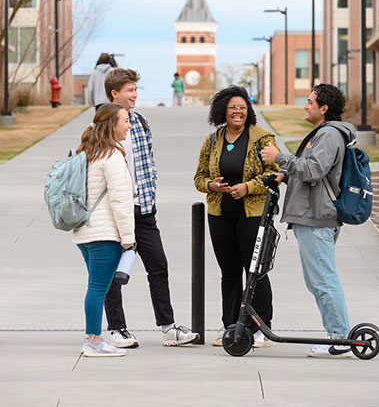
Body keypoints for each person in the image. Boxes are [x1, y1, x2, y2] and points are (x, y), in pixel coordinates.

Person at [103, 68, 199, 347]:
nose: (134, 94)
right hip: (113, 213)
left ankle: (168, 328)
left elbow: (149, 163)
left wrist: (150, 191)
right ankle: (116, 328)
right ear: (114, 94)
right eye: (129, 90)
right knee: (113, 273)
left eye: (135, 90)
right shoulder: (101, 126)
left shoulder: (142, 122)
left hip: (143, 210)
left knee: (158, 266)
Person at [261, 83, 354, 358]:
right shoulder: (326, 133)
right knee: (317, 281)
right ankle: (337, 335)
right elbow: (315, 172)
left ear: (323, 109)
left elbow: (314, 170)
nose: (305, 105)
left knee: (323, 280)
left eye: (310, 101)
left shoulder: (328, 135)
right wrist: (285, 176)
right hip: (313, 217)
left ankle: (340, 339)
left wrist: (279, 158)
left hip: (317, 218)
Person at [194, 85, 280, 347]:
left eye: (242, 107)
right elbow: (199, 177)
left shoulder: (263, 138)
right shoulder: (213, 140)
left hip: (252, 215)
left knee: (255, 272)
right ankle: (231, 327)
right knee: (229, 272)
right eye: (232, 107)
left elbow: (275, 174)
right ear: (223, 111)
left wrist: (248, 187)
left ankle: (259, 329)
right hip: (220, 214)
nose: (238, 112)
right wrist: (213, 186)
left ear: (248, 111)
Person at [73, 103, 135, 357]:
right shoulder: (112, 157)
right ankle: (93, 341)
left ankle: (94, 339)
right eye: (126, 120)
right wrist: (128, 238)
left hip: (85, 233)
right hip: (104, 234)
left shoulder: (88, 152)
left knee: (96, 287)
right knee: (98, 288)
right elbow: (121, 201)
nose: (129, 125)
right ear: (112, 124)